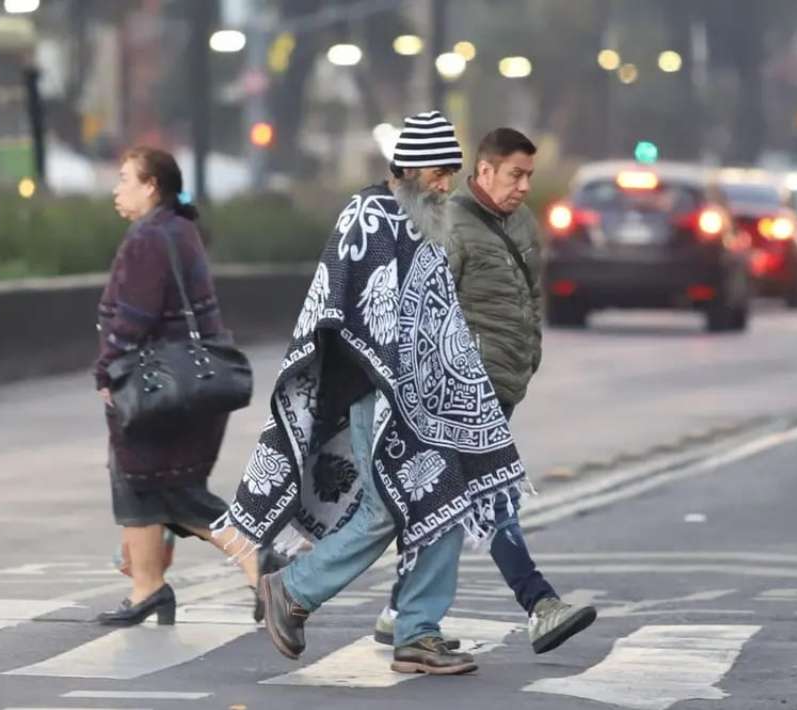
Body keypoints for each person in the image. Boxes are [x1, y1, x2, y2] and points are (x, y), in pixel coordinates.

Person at [219, 111, 529, 675]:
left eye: (452, 173)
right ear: (410, 166)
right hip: (374, 391)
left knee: (444, 502)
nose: (447, 184)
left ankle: (418, 632)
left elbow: (437, 316)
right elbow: (342, 307)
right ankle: (291, 589)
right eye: (440, 172)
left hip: (428, 401)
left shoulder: (428, 219)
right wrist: (391, 374)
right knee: (387, 508)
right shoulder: (367, 214)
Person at [374, 128, 596, 654]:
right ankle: (540, 605)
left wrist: (532, 351)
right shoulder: (450, 223)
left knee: (447, 500)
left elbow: (530, 293)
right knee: (491, 493)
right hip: (465, 387)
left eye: (529, 176)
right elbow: (426, 306)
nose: (523, 186)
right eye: (514, 175)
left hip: (506, 379)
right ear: (485, 171)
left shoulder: (520, 221)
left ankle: (395, 609)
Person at [93, 146, 263, 626]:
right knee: (144, 485)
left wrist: (106, 369)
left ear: (151, 186)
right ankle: (148, 588)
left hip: (156, 383)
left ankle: (257, 558)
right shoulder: (179, 228)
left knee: (168, 490)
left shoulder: (149, 238)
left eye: (125, 178)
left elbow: (136, 316)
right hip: (186, 381)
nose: (116, 188)